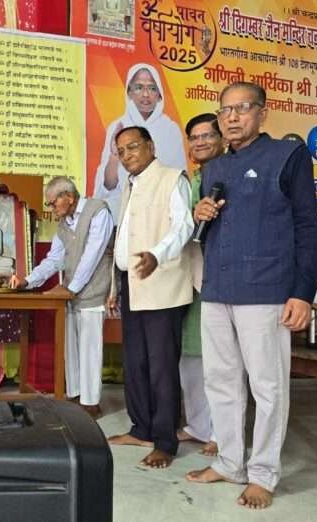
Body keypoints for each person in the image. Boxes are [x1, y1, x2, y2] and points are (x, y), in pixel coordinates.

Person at [186, 82, 317, 509]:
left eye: (242, 108)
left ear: (262, 112)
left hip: (266, 290)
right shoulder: (215, 168)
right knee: (220, 382)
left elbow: (309, 226)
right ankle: (229, 462)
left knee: (268, 387)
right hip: (217, 289)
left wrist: (303, 292)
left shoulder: (287, 155)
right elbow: (210, 230)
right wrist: (199, 214)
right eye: (225, 110)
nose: (231, 117)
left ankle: (262, 473)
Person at [106, 126, 194, 468]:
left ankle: (165, 441)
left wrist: (157, 254)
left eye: (133, 147)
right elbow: (125, 238)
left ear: (151, 146)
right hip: (132, 283)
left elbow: (184, 226)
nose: (127, 155)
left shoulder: (172, 179)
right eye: (121, 152)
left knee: (161, 367)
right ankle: (141, 429)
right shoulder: (131, 185)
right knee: (135, 362)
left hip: (163, 284)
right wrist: (116, 286)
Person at [9, 176, 113, 418]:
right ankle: (75, 396)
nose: (51, 208)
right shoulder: (64, 224)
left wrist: (71, 288)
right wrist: (28, 281)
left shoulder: (98, 211)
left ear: (69, 197)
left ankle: (90, 404)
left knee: (89, 349)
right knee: (71, 349)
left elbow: (93, 255)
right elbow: (54, 260)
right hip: (69, 294)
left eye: (53, 203)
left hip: (93, 291)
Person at [178, 113, 225, 457]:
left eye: (207, 135)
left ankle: (222, 434)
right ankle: (197, 425)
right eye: (194, 137)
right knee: (191, 357)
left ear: (222, 139)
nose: (200, 142)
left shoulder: (229, 175)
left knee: (222, 362)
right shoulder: (192, 178)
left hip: (221, 278)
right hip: (189, 279)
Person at [93, 63, 186, 219]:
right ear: (129, 92)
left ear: (159, 94)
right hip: (122, 212)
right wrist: (115, 155)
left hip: (160, 212)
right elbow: (107, 187)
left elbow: (179, 180)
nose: (145, 94)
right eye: (138, 87)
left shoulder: (171, 129)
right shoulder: (117, 127)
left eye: (152, 88)